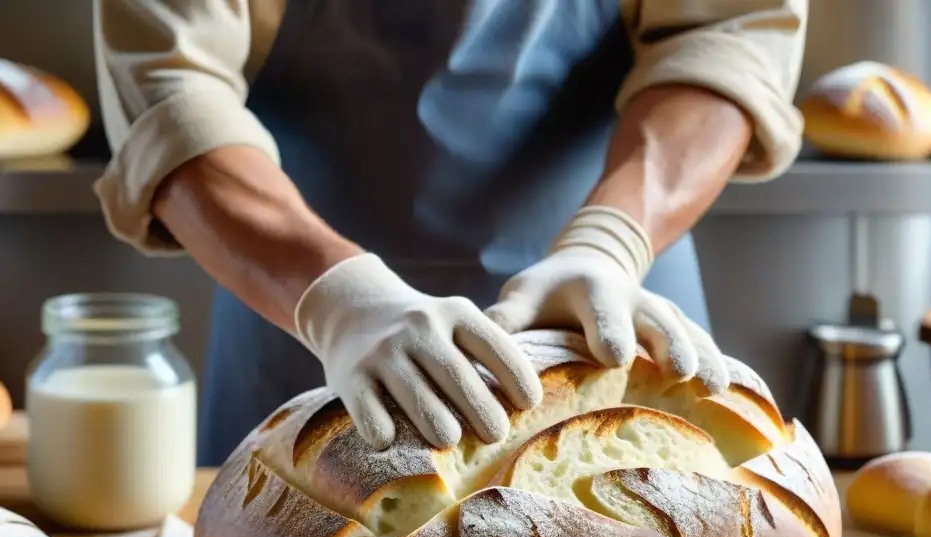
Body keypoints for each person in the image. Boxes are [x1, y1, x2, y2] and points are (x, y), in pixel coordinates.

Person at [92, 0, 808, 465]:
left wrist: (611, 242)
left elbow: (728, 34)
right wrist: (337, 298)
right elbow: (169, 93)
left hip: (610, 310)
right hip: (301, 318)